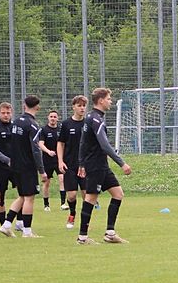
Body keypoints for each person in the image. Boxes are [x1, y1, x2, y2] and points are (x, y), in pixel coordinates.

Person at [76, 88, 132, 244]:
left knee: (118, 194)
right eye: (108, 99)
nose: (110, 101)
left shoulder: (91, 117)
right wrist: (122, 163)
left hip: (101, 165)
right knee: (91, 198)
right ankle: (82, 237)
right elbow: (105, 145)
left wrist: (81, 162)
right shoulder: (96, 120)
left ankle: (110, 233)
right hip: (96, 165)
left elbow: (83, 142)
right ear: (100, 101)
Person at [0, 96, 48, 237]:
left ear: (24, 105)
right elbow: (36, 149)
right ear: (37, 107)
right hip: (27, 166)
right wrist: (41, 170)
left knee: (22, 196)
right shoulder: (32, 125)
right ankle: (27, 231)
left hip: (15, 165)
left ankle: (6, 225)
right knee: (29, 198)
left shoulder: (16, 122)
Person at [58, 96, 88, 229]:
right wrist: (60, 161)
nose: (82, 108)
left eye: (84, 105)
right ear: (73, 107)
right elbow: (60, 143)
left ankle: (85, 221)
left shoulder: (88, 123)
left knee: (87, 195)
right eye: (79, 105)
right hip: (70, 165)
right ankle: (72, 213)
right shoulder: (66, 124)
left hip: (85, 165)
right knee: (71, 196)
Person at [38, 109, 61, 212]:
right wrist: (48, 151)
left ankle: (63, 203)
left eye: (55, 117)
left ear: (57, 118)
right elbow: (40, 144)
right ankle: (46, 205)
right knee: (46, 183)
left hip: (59, 159)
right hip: (47, 160)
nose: (53, 118)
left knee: (62, 179)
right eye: (51, 116)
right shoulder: (44, 130)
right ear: (48, 118)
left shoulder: (61, 129)